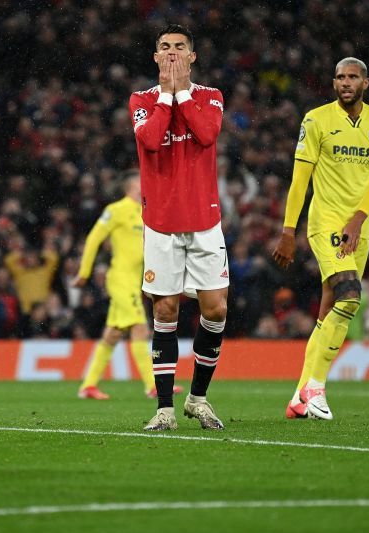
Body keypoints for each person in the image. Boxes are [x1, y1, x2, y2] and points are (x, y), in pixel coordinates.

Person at [272, 57, 369, 420]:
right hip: (327, 224)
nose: (345, 82)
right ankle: (316, 388)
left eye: (352, 77)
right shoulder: (316, 119)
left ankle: (298, 396)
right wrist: (288, 230)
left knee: (329, 308)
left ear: (365, 83)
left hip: (360, 227)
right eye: (339, 76)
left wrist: (358, 219)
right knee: (351, 296)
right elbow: (299, 181)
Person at [129, 24, 228, 431]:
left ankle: (198, 400)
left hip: (205, 221)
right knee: (165, 310)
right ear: (155, 57)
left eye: (179, 48)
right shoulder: (140, 100)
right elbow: (151, 140)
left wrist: (181, 94)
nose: (171, 53)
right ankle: (165, 409)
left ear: (192, 56)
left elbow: (207, 133)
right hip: (162, 223)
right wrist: (167, 99)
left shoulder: (211, 97)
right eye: (164, 48)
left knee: (217, 309)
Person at [72, 173, 182, 400]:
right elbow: (94, 237)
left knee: (112, 335)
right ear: (132, 186)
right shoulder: (116, 209)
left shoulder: (146, 212)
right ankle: (153, 386)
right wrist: (84, 272)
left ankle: (88, 386)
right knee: (140, 328)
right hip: (120, 280)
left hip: (135, 280)